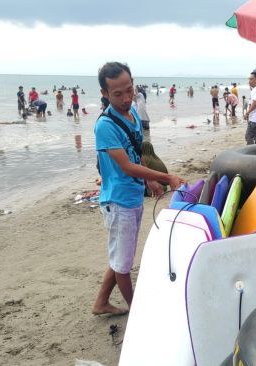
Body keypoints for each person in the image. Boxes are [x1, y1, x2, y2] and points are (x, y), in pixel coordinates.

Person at [93, 61, 184, 316]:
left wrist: (150, 180)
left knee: (121, 254)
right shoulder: (105, 126)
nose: (125, 98)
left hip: (132, 196)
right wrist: (167, 177)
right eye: (117, 94)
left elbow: (135, 154)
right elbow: (126, 167)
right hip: (118, 201)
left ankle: (100, 303)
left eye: (129, 90)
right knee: (123, 264)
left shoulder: (131, 112)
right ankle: (137, 312)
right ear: (104, 94)